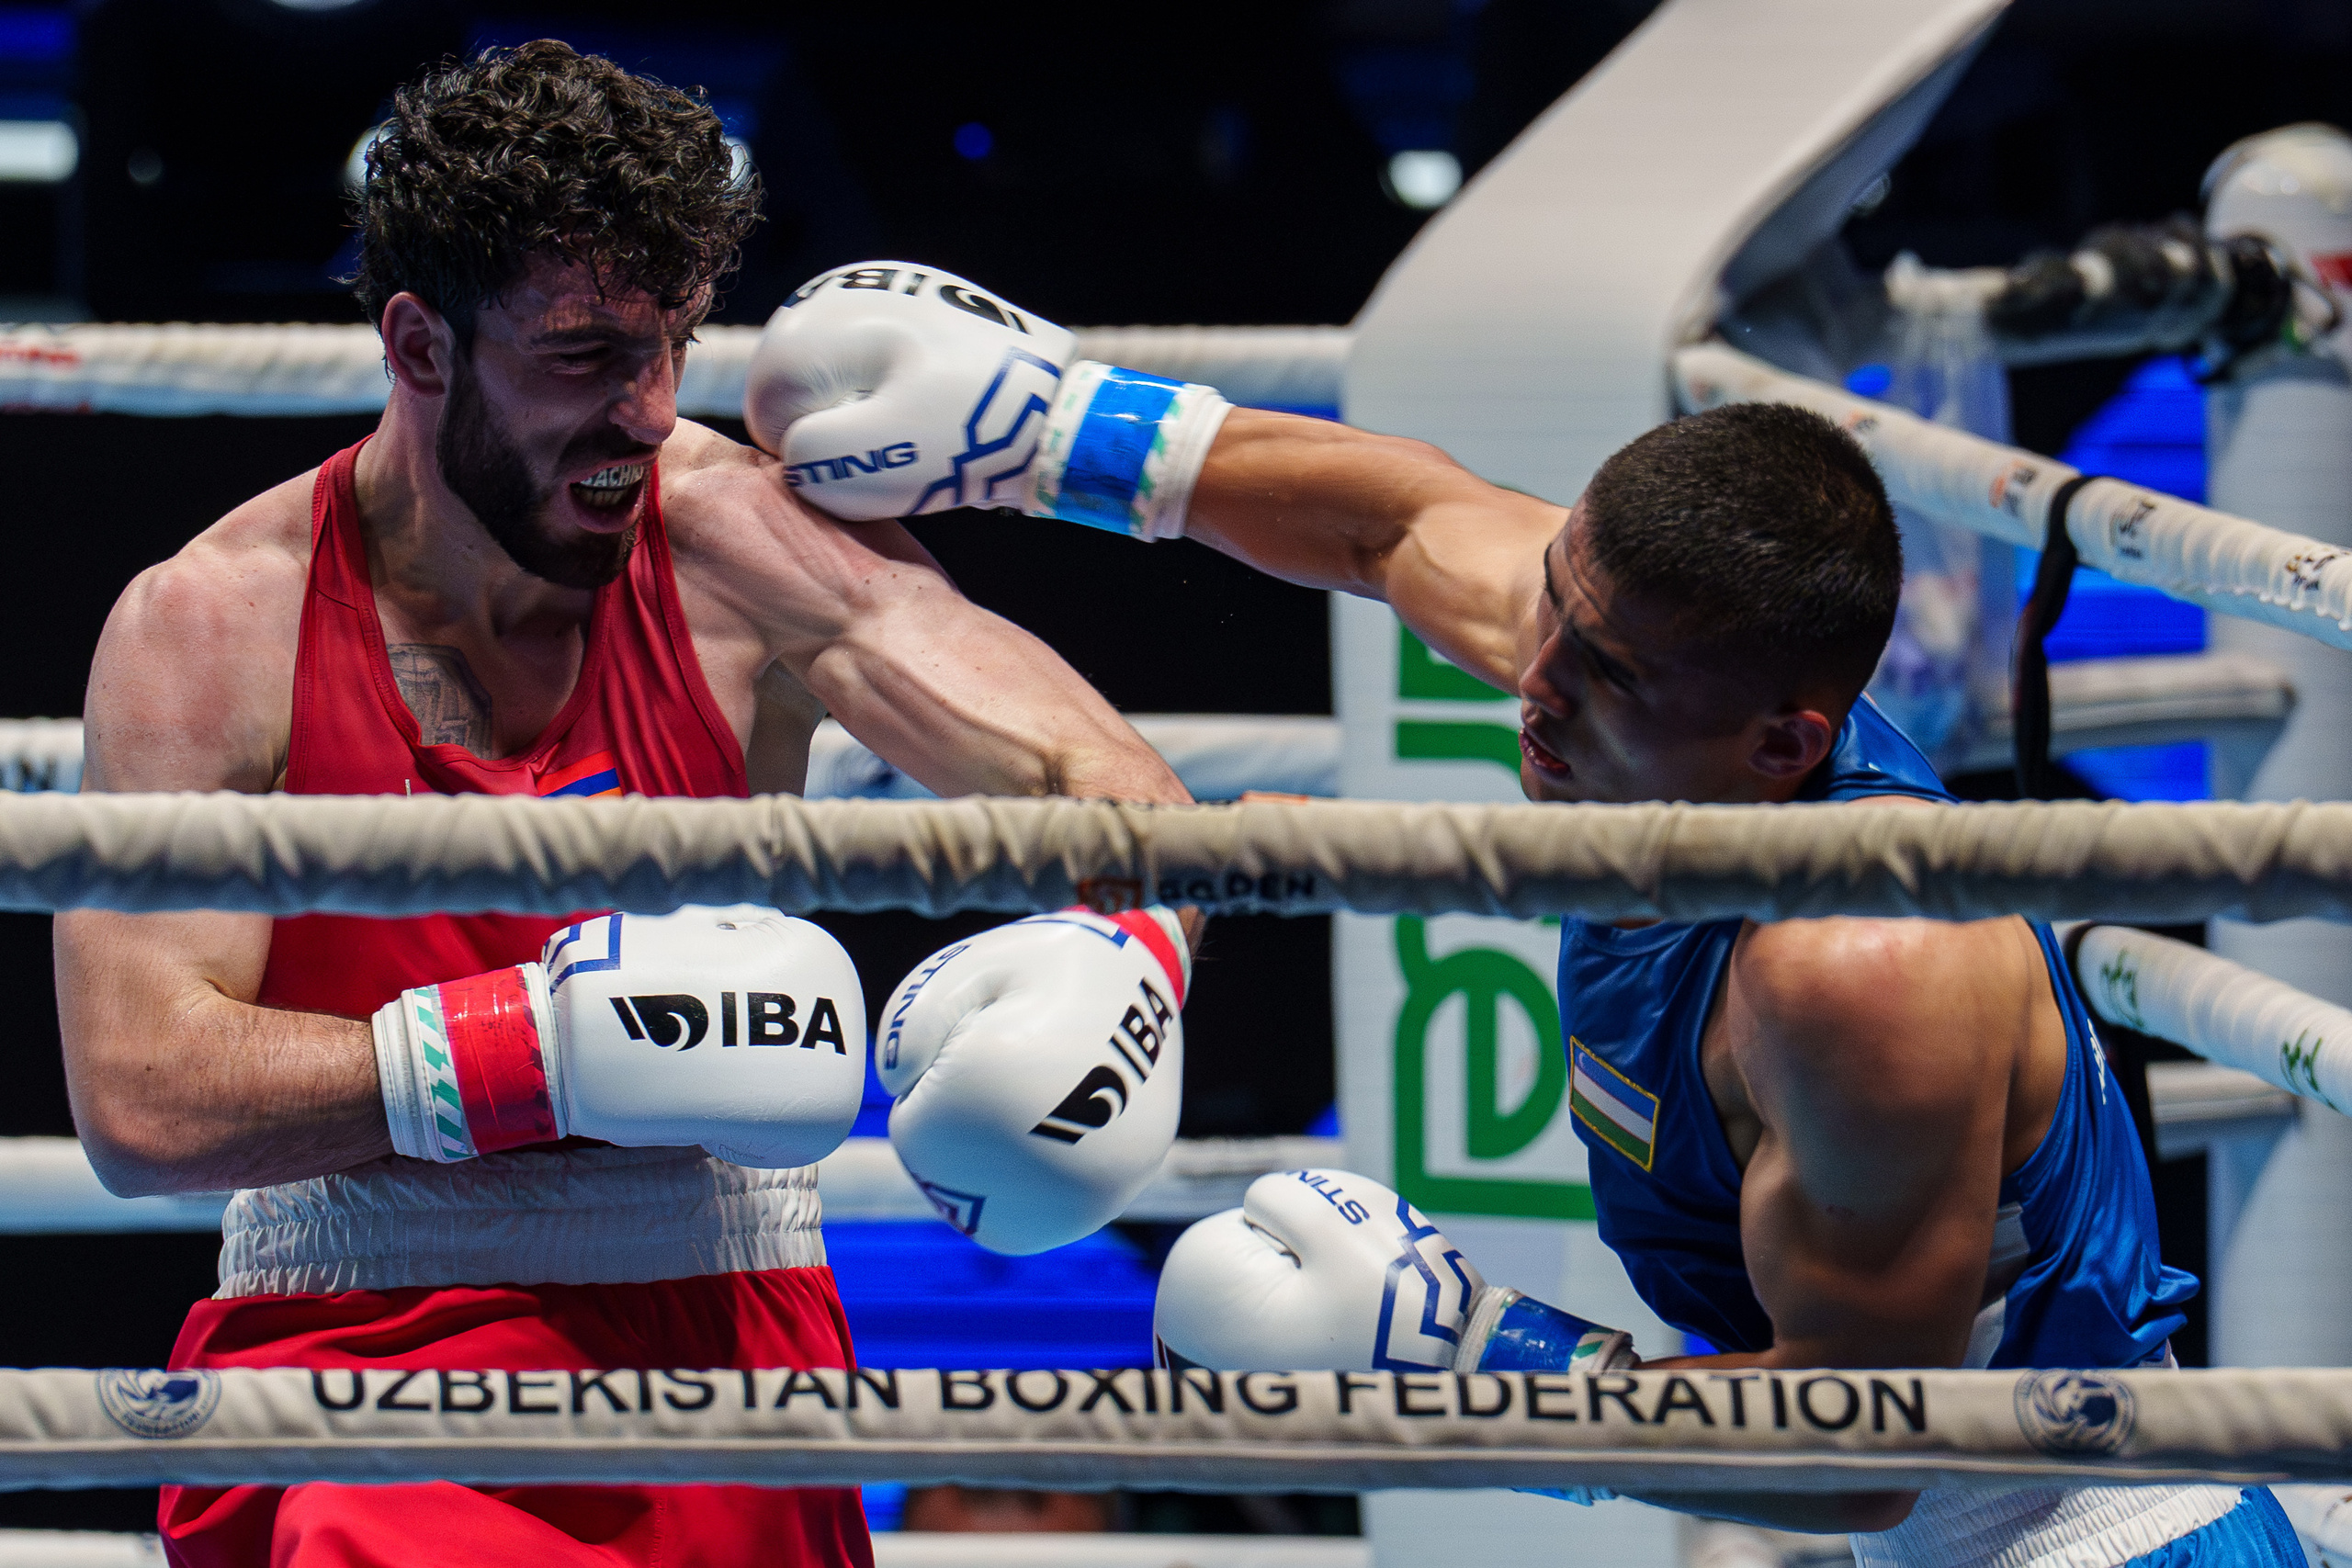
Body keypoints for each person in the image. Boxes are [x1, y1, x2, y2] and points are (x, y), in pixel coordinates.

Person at [764, 274, 2302, 1564]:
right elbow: (1397, 522)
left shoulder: (1856, 967)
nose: (1537, 684)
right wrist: (1057, 431)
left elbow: (1868, 1454)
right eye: (1556, 605)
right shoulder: (1648, 673)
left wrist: (1480, 1368)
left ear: (1786, 743)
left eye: (1603, 671)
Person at [58, 49, 1197, 1568]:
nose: (650, 413)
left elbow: (1106, 787)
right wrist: (540, 1053)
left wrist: (1129, 969)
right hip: (355, 1343)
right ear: (419, 342)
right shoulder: (213, 623)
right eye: (585, 354)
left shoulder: (733, 541)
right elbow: (143, 1096)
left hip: (726, 1332)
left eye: (671, 346)